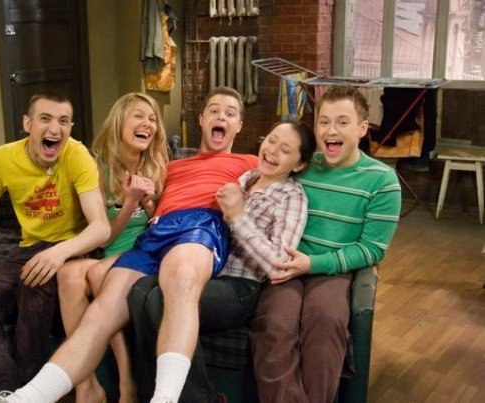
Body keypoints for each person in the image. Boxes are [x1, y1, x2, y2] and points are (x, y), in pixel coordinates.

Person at [0, 86, 257, 403]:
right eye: (214, 110)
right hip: (155, 233)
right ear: (201, 119)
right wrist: (145, 203)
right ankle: (19, 400)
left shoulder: (249, 164)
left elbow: (276, 188)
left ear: (239, 126)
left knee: (183, 277)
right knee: (101, 311)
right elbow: (152, 209)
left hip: (199, 223)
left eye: (230, 114)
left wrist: (242, 212)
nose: (221, 117)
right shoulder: (170, 167)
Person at [127, 120, 317, 403]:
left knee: (160, 300)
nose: (272, 150)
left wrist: (238, 217)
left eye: (285, 150)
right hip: (206, 268)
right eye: (272, 140)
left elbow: (279, 263)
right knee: (139, 291)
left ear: (299, 164)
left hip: (241, 286)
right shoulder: (246, 178)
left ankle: (198, 398)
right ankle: (152, 394)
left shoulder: (291, 196)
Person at [0, 91, 110, 394]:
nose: (55, 129)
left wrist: (60, 253)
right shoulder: (2, 158)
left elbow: (101, 228)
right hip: (30, 248)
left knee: (33, 286)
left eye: (63, 121)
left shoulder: (76, 155)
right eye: (45, 119)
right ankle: (3, 392)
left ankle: (29, 392)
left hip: (75, 246)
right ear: (28, 123)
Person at [250, 86, 402, 403]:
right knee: (275, 324)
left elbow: (373, 249)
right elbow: (262, 178)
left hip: (334, 271)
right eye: (324, 122)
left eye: (342, 122)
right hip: (285, 266)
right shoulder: (303, 165)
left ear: (362, 128)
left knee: (326, 321)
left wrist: (313, 264)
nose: (330, 131)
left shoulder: (382, 181)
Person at [56, 92, 168, 402]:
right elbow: (104, 237)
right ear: (119, 122)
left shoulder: (158, 165)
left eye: (152, 119)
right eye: (138, 116)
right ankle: (86, 384)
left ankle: (126, 383)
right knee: (67, 274)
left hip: (143, 252)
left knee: (99, 277)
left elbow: (162, 225)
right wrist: (129, 202)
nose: (147, 123)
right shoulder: (97, 169)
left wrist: (148, 204)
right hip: (110, 249)